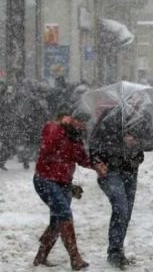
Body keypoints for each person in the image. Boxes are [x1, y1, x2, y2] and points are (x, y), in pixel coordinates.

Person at [89, 93, 153, 269]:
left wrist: (135, 142)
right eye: (132, 98)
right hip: (111, 170)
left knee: (126, 212)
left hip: (131, 170)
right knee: (121, 207)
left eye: (139, 99)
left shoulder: (144, 117)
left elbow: (151, 143)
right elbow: (94, 141)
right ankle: (114, 253)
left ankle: (118, 250)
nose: (136, 102)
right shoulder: (110, 115)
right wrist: (97, 160)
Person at [32, 110, 105, 270]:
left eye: (84, 124)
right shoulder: (53, 127)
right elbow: (47, 147)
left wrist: (95, 165)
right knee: (64, 215)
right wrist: (62, 128)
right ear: (70, 119)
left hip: (64, 183)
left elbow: (81, 159)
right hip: (46, 179)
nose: (82, 126)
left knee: (57, 221)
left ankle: (40, 258)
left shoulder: (76, 138)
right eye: (79, 122)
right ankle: (75, 258)